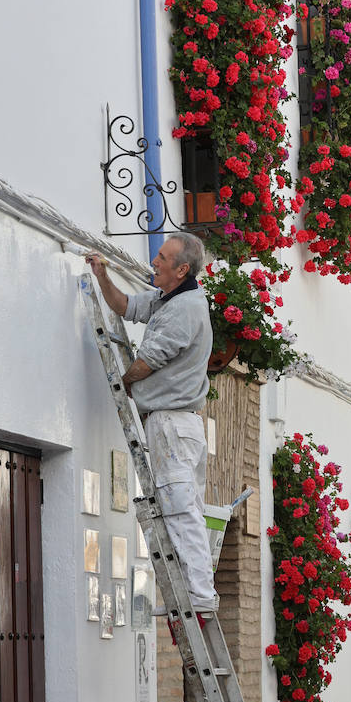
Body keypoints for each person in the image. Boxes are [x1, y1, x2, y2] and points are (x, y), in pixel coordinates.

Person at [86, 233, 217, 612]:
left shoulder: (186, 309)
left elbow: (153, 358)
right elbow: (126, 306)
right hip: (177, 424)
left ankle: (200, 599)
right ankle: (196, 596)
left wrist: (124, 382)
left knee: (179, 509)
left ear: (182, 270)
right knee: (182, 506)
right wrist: (102, 276)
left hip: (173, 424)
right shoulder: (167, 299)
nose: (154, 261)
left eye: (163, 258)